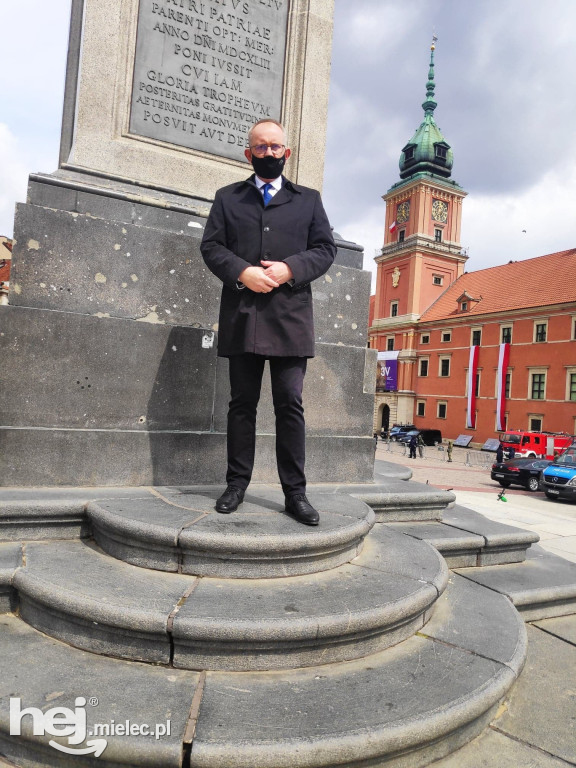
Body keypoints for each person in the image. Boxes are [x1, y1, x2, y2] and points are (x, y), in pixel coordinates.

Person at [201, 119, 336, 526]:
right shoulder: (228, 198)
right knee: (241, 406)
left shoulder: (308, 200)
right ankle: (236, 485)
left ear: (286, 153)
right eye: (261, 147)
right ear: (249, 153)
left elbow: (325, 249)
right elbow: (211, 246)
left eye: (275, 147)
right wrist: (243, 272)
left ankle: (296, 493)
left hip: (290, 320)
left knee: (289, 407)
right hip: (243, 316)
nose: (269, 153)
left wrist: (288, 269)